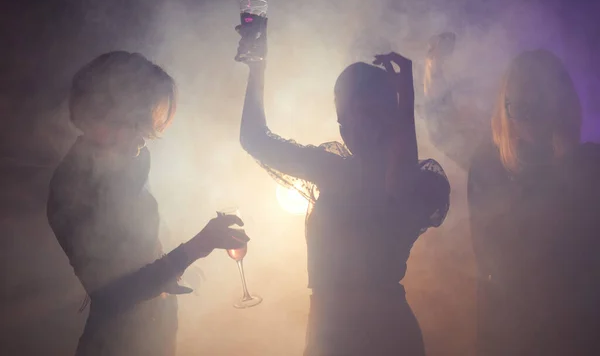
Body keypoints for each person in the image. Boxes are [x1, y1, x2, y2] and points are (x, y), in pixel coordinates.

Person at [237, 25, 451, 354]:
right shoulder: (333, 169)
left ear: (387, 116)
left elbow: (398, 188)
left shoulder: (421, 182)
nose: (346, 127)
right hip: (328, 333)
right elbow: (254, 139)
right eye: (341, 117)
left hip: (384, 336)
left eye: (359, 113)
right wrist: (258, 66)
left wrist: (405, 97)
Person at [46, 51, 250, 356]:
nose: (143, 139)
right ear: (95, 113)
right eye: (134, 123)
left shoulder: (132, 161)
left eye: (147, 126)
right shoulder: (70, 187)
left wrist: (176, 270)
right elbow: (111, 295)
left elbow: (139, 245)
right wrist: (193, 249)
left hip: (158, 336)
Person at [423, 36, 600, 355]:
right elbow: (444, 127)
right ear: (506, 108)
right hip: (504, 330)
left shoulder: (589, 167)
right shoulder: (490, 164)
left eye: (541, 103)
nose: (531, 117)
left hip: (574, 331)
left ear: (562, 104)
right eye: (521, 106)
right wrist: (434, 65)